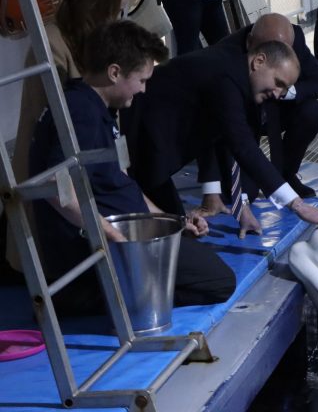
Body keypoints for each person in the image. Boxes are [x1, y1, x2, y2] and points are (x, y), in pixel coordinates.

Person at [28, 21, 235, 314]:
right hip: (104, 246)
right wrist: (119, 241)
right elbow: (55, 188)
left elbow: (120, 181)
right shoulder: (81, 113)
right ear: (115, 73)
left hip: (129, 229)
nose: (143, 89)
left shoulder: (95, 107)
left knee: (206, 266)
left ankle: (119, 288)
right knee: (219, 282)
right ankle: (88, 297)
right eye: (141, 80)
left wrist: (171, 222)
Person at [123, 38, 318, 238]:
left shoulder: (240, 78)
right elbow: (244, 147)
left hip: (160, 143)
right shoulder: (226, 77)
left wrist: (241, 208)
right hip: (143, 139)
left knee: (180, 230)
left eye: (285, 88)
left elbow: (227, 141)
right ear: (259, 61)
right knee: (171, 232)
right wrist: (298, 206)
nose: (278, 94)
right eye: (278, 83)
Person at [7, 0, 132, 274]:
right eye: (117, 12)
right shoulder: (52, 44)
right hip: (54, 154)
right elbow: (56, 117)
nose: (121, 20)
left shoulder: (96, 40)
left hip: (88, 151)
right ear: (96, 7)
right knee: (47, 245)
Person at [196, 13, 318, 218]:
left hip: (277, 113)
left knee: (311, 111)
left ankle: (287, 173)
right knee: (245, 193)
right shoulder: (224, 59)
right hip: (239, 121)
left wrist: (283, 89)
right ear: (253, 48)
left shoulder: (293, 38)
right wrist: (211, 190)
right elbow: (211, 126)